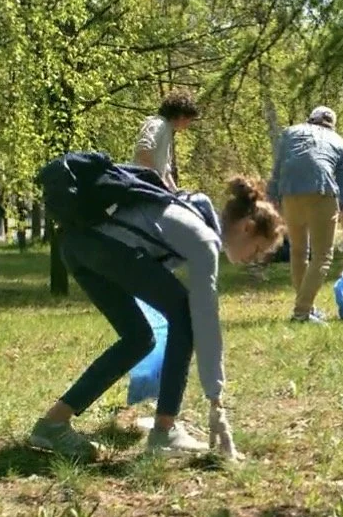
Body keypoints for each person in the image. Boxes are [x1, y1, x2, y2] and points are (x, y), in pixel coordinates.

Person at [28, 177, 284, 461]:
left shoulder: (192, 212)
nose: (254, 259)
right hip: (102, 246)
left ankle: (52, 423)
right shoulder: (204, 239)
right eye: (258, 250)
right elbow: (205, 319)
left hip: (76, 246)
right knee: (185, 315)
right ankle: (165, 431)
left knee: (139, 338)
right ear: (248, 228)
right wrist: (216, 399)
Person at [267, 106, 343, 324]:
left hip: (290, 195)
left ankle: (306, 307)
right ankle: (302, 312)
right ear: (332, 124)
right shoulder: (340, 143)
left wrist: (271, 202)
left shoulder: (289, 134)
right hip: (321, 193)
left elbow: (277, 171)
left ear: (310, 119)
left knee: (298, 252)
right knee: (322, 256)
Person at [133, 89, 199, 193]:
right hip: (143, 186)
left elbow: (165, 170)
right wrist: (158, 180)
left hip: (154, 188)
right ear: (181, 116)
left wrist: (175, 192)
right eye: (189, 119)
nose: (189, 124)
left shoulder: (167, 129)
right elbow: (143, 151)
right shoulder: (158, 124)